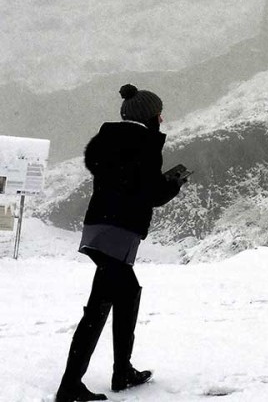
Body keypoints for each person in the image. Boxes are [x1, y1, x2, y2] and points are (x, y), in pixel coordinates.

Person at [56, 85, 191, 402]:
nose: (162, 118)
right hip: (120, 232)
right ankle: (72, 385)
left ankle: (121, 371)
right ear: (150, 116)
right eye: (159, 113)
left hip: (97, 228)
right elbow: (150, 194)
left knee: (123, 293)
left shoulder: (108, 141)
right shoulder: (144, 144)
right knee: (101, 305)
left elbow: (121, 183)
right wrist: (175, 183)